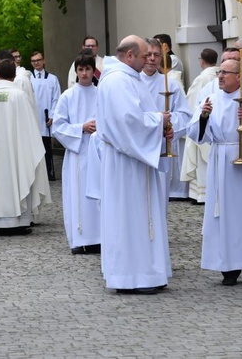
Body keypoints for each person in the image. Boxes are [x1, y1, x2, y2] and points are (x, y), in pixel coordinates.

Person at [96, 35, 172, 295]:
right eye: (143, 57)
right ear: (129, 56)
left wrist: (160, 129)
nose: (147, 62)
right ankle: (133, 276)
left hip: (134, 159)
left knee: (139, 216)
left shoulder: (127, 78)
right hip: (126, 163)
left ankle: (148, 272)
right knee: (130, 217)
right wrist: (158, 121)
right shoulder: (118, 81)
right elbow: (129, 123)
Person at [187, 58, 242, 286]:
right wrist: (203, 116)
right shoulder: (211, 98)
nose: (221, 77)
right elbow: (195, 132)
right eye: (220, 73)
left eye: (226, 73)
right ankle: (228, 268)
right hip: (222, 161)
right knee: (223, 214)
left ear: (239, 76)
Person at [0, 59, 51, 236]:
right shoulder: (18, 96)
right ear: (14, 76)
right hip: (16, 152)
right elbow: (29, 128)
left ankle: (0, 223)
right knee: (19, 175)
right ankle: (20, 221)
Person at [52, 53, 101, 254]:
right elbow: (58, 125)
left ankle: (98, 237)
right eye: (80, 70)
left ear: (93, 71)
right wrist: (81, 127)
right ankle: (80, 238)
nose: (84, 73)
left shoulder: (101, 93)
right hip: (78, 152)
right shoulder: (68, 96)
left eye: (87, 69)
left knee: (98, 193)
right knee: (78, 195)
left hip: (98, 151)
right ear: (76, 72)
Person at [140, 38, 191, 203]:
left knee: (159, 196)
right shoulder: (132, 82)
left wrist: (170, 125)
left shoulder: (171, 84)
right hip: (137, 146)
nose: (152, 58)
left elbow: (185, 115)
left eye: (156, 55)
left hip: (162, 146)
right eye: (148, 54)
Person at [180, 48, 219, 204]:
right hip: (213, 125)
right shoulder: (218, 75)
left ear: (201, 60)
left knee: (202, 161)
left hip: (204, 121)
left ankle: (201, 194)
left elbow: (192, 103)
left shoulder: (201, 78)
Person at [30, 50, 61, 181]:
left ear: (44, 60)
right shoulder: (28, 78)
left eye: (38, 60)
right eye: (34, 61)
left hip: (46, 118)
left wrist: (53, 115)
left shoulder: (52, 79)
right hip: (32, 117)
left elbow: (56, 98)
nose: (36, 63)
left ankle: (49, 172)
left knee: (47, 147)